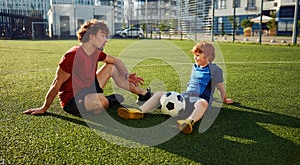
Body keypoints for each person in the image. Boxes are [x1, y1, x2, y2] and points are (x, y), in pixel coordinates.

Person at [23, 19, 151, 116]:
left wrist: (126, 75)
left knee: (110, 66)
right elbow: (56, 84)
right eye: (103, 36)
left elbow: (116, 61)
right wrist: (44, 108)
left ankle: (143, 94)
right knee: (101, 101)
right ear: (91, 36)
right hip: (72, 99)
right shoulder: (71, 56)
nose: (106, 40)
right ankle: (109, 100)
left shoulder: (95, 53)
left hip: (88, 88)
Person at [117, 42, 233, 134]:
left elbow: (220, 88)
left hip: (199, 98)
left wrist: (225, 100)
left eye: (197, 55)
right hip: (185, 96)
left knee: (203, 103)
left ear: (207, 56)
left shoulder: (216, 70)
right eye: (194, 55)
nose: (195, 58)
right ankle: (139, 111)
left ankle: (189, 122)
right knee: (159, 94)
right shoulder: (195, 66)